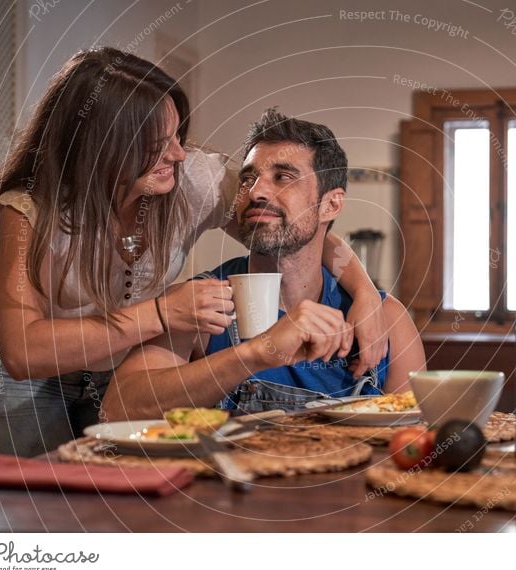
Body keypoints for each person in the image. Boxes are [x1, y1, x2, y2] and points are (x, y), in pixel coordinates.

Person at [0, 49, 388, 457]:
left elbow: (294, 225)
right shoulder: (29, 207)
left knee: (108, 500)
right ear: (103, 144)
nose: (178, 153)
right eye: (157, 142)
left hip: (122, 365)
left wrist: (367, 295)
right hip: (28, 384)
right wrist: (162, 314)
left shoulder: (193, 181)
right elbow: (23, 352)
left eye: (177, 135)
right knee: (37, 506)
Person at [104, 109, 426, 420]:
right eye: (248, 179)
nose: (256, 192)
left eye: (283, 177)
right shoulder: (199, 305)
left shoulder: (386, 320)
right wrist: (255, 353)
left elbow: (414, 443)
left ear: (331, 204)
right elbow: (117, 410)